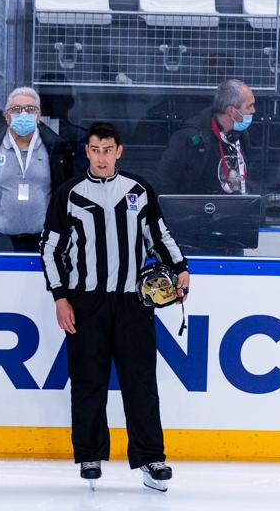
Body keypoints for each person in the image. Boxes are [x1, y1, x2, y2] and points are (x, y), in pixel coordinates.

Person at [41, 122, 189, 491]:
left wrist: (181, 269)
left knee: (141, 382)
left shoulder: (139, 190)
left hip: (132, 302)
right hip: (85, 301)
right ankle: (89, 455)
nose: (101, 157)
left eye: (108, 150)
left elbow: (159, 235)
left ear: (119, 151)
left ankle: (151, 458)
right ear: (87, 152)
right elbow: (50, 249)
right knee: (88, 381)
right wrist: (60, 297)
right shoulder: (68, 193)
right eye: (95, 149)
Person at [0, 86, 76, 251]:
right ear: (7, 117)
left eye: (30, 109)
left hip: (44, 241)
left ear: (39, 116)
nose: (24, 114)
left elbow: (66, 194)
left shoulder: (57, 149)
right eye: (17, 109)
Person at [156, 79, 255, 195]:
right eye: (249, 106)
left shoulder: (241, 135)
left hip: (230, 203)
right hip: (193, 204)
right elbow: (163, 183)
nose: (253, 111)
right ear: (231, 111)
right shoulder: (190, 137)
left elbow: (241, 181)